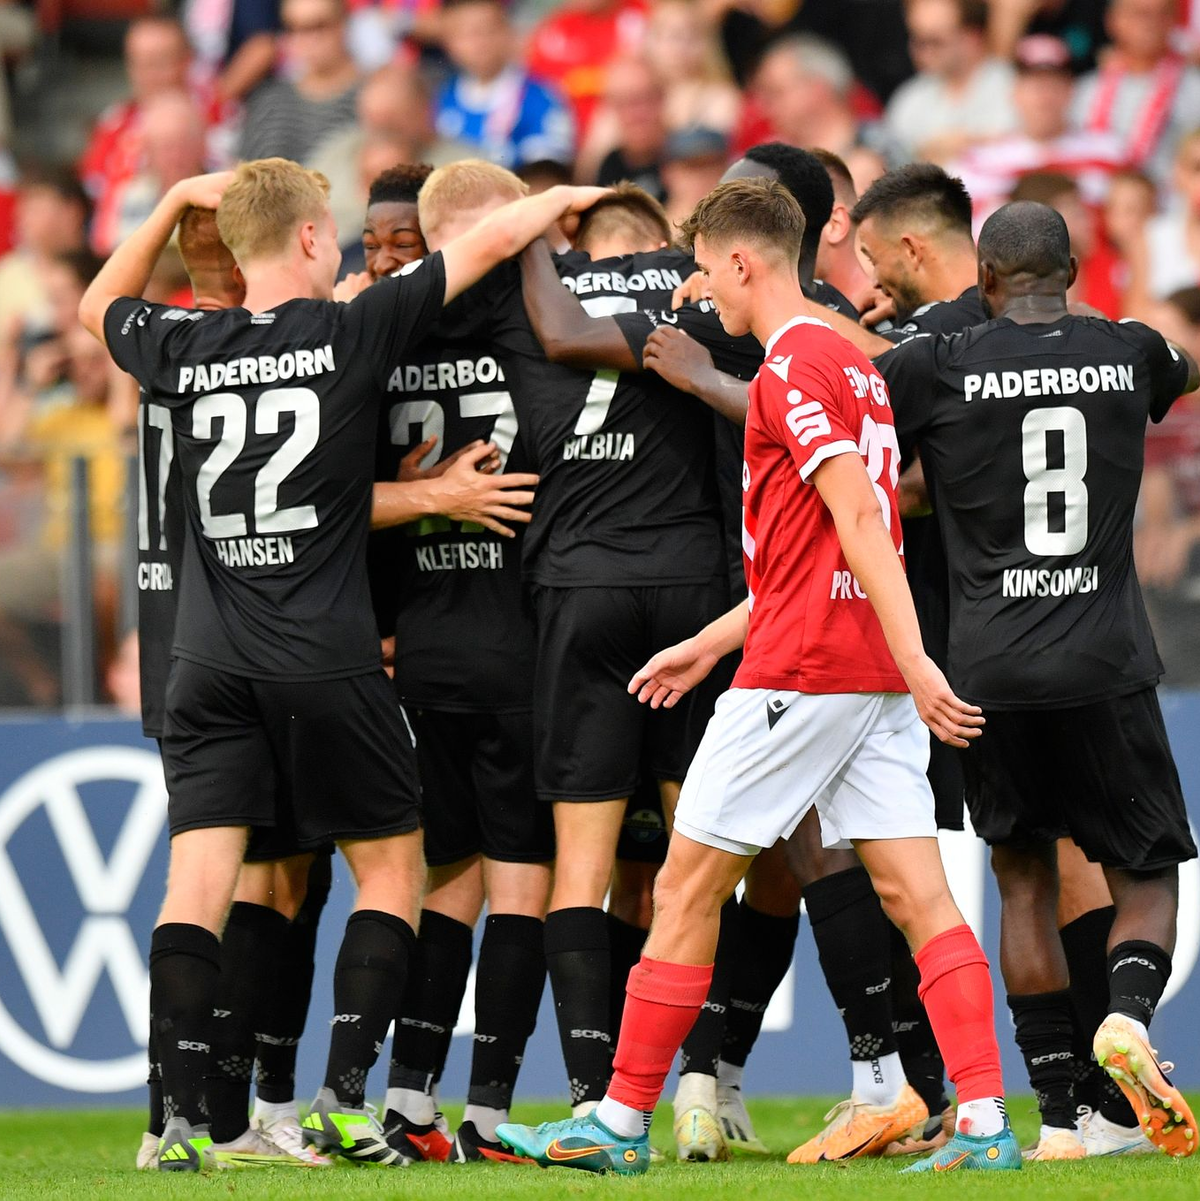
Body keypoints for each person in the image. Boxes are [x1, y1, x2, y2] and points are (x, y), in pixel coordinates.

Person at [78, 158, 606, 1171]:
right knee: (395, 870)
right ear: (318, 240)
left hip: (206, 661)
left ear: (233, 246)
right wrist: (560, 202)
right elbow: (486, 241)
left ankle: (180, 1124)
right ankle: (347, 1099)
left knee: (197, 885)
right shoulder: (347, 331)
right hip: (326, 656)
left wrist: (167, 205)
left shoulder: (185, 343)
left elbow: (103, 300)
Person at [496, 176, 1018, 1176]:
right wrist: (714, 639)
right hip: (855, 664)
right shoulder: (854, 366)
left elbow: (864, 521)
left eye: (701, 266)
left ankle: (615, 1123)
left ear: (743, 261)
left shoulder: (791, 367)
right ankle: (988, 1123)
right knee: (921, 898)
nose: (697, 289)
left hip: (811, 672)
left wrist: (919, 661)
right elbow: (821, 540)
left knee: (687, 885)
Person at [880, 199, 1200, 1160]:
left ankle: (1061, 1117)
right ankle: (1131, 1020)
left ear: (983, 282)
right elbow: (1182, 360)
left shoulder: (934, 364)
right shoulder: (1128, 350)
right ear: (1070, 272)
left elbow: (854, 440)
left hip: (987, 671)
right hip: (1106, 659)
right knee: (1144, 880)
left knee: (1021, 882)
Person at [950, 35, 1125, 226]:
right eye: (1035, 85)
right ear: (1014, 92)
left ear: (1071, 90)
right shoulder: (977, 162)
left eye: (1054, 84)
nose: (1045, 96)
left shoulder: (1110, 154)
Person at [1069, 0, 1200, 185]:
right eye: (1140, 14)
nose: (1151, 23)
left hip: (1169, 206)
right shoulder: (1086, 90)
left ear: (1174, 22)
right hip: (1095, 203)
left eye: (1162, 14)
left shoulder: (1195, 89)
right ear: (1112, 21)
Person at [434, 0, 574, 170]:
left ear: (509, 31)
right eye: (466, 34)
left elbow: (548, 173)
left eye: (488, 30)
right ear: (447, 41)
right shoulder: (441, 98)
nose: (479, 43)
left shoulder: (539, 97)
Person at [884, 0, 1018, 163]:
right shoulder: (910, 97)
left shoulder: (1013, 87)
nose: (921, 51)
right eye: (917, 40)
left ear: (972, 38)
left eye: (934, 41)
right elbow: (890, 160)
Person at [238, 0, 360, 163]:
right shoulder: (268, 101)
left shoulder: (371, 100)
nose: (305, 39)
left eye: (318, 26)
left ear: (343, 23)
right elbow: (241, 173)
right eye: (292, 28)